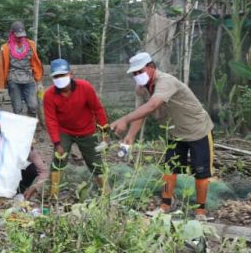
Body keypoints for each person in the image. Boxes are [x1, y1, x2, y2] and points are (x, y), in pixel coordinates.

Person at [110, 52, 215, 219]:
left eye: (140, 71)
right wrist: (130, 135)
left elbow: (153, 105)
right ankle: (165, 207)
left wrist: (124, 119)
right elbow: (141, 114)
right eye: (134, 74)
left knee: (201, 172)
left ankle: (200, 212)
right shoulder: (142, 88)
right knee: (169, 170)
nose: (137, 76)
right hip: (175, 133)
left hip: (197, 130)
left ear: (151, 67)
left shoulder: (166, 81)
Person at [42, 59, 110, 197]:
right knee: (58, 160)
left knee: (95, 162)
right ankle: (53, 195)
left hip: (87, 130)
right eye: (56, 76)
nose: (60, 79)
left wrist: (104, 132)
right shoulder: (49, 95)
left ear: (71, 74)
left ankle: (106, 194)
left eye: (63, 75)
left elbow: (98, 109)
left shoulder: (85, 87)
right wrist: (57, 142)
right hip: (64, 131)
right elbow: (51, 120)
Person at [0, 20, 43, 117]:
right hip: (13, 79)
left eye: (22, 35)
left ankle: (32, 125)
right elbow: (2, 66)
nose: (20, 37)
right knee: (17, 108)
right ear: (12, 33)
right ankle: (21, 129)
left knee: (33, 105)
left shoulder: (31, 44)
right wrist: (1, 86)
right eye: (18, 35)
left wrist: (38, 80)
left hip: (29, 78)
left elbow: (35, 61)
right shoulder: (5, 47)